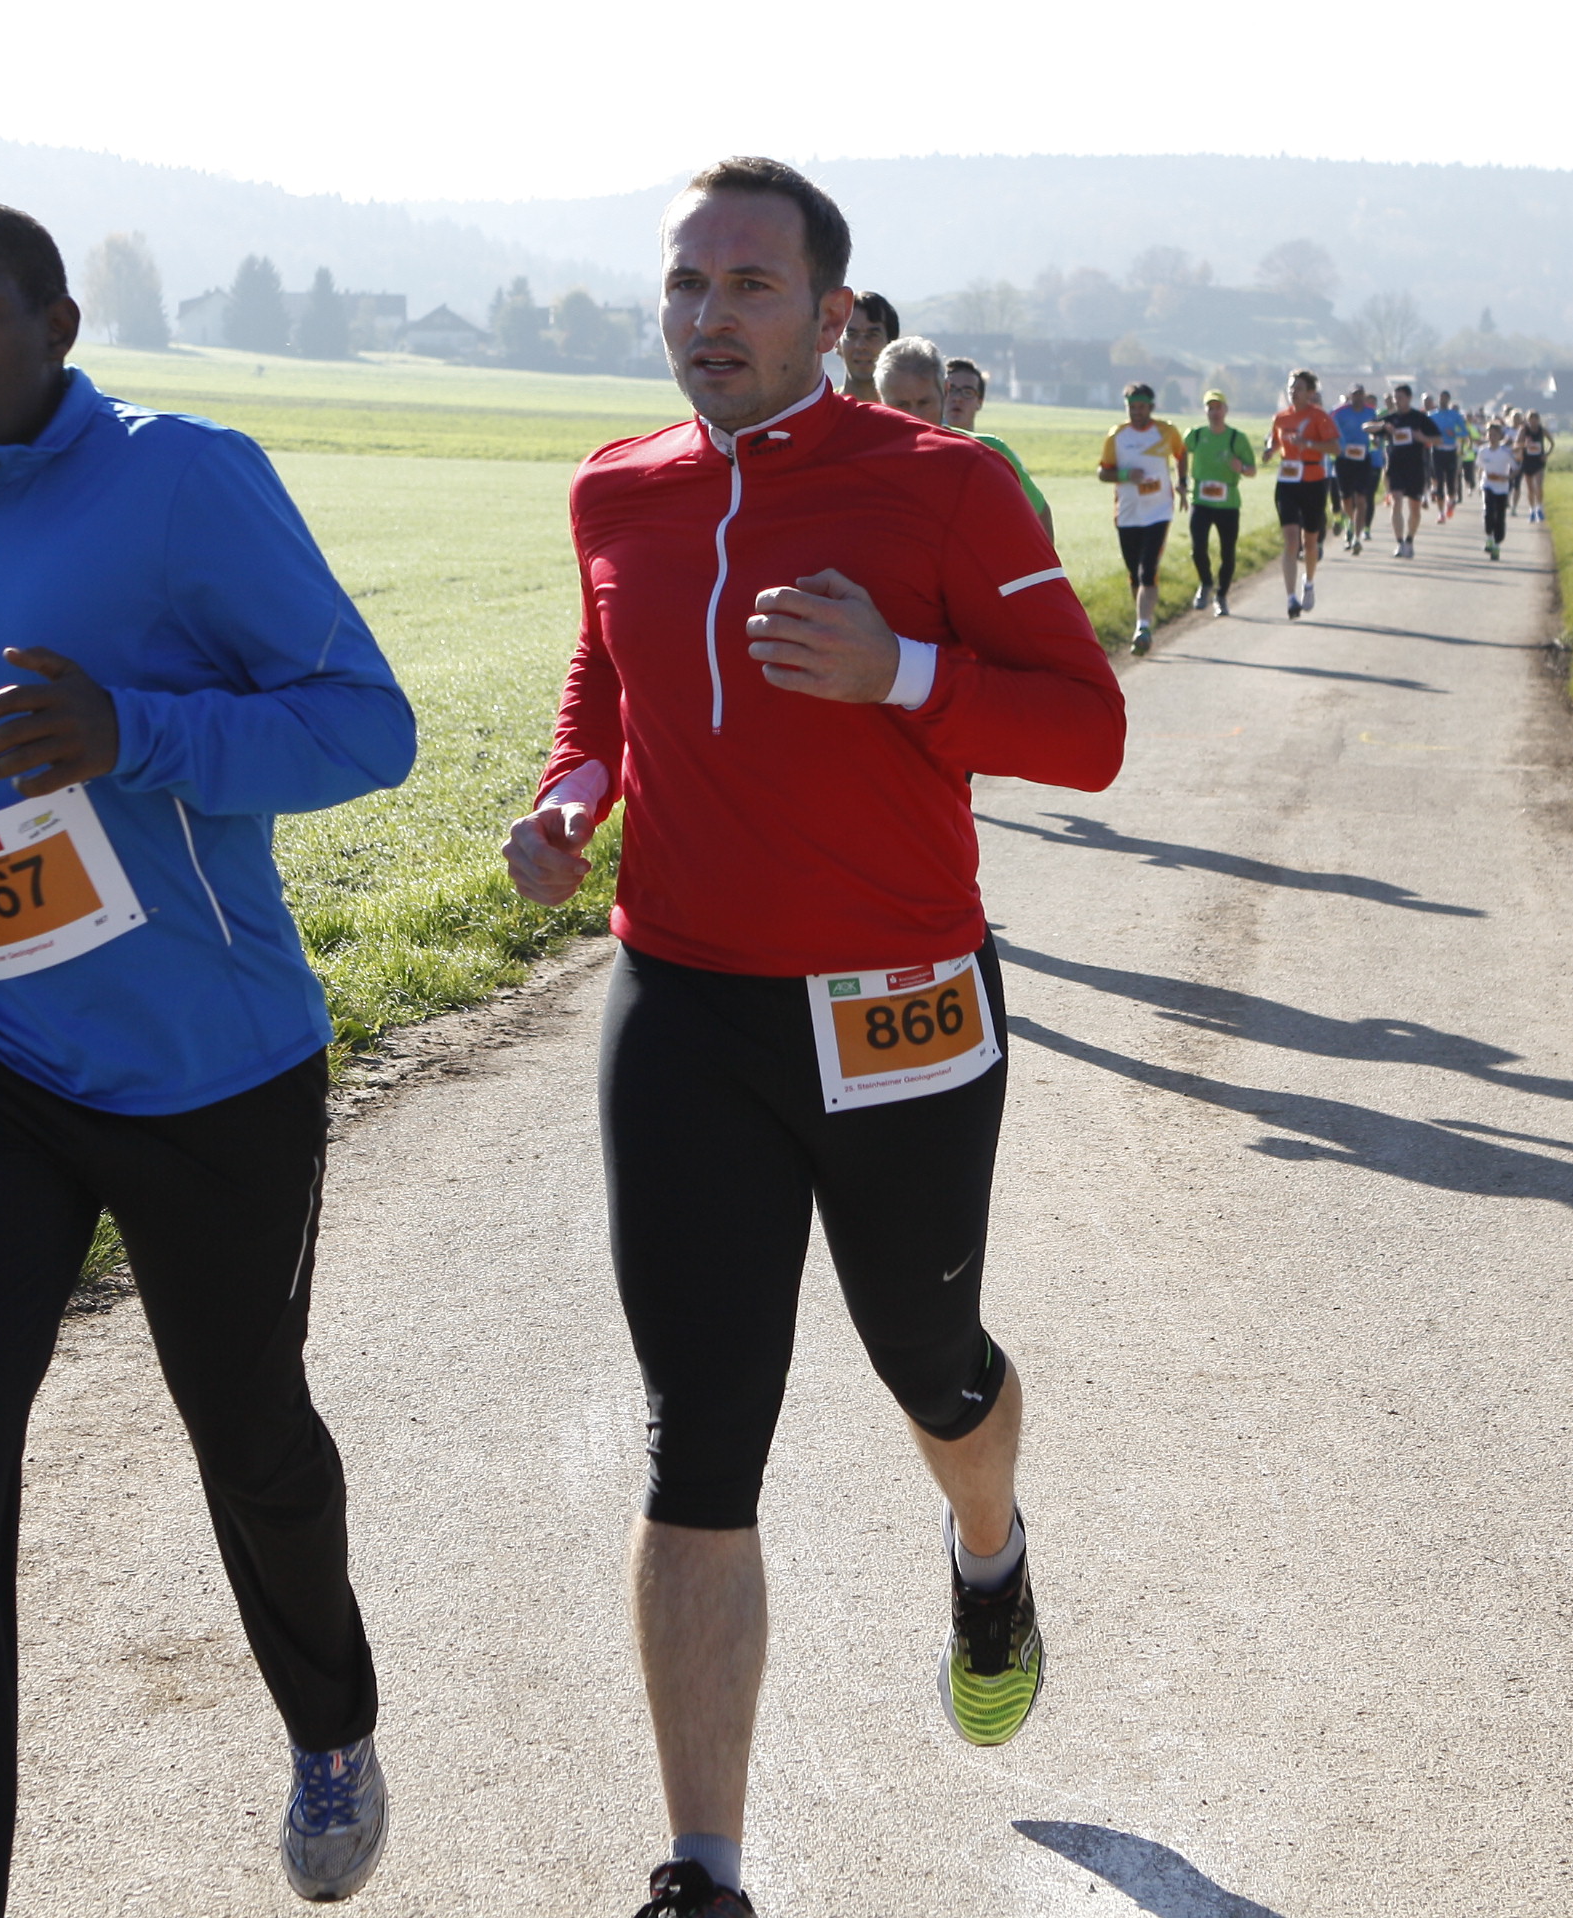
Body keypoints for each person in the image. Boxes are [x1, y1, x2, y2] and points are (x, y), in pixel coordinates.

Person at [501, 157, 1126, 1918]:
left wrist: (903, 674)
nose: (709, 316)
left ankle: (988, 1554)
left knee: (929, 1362)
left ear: (833, 314)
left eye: (750, 285)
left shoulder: (944, 486)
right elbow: (605, 688)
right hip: (685, 1004)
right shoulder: (616, 487)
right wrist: (571, 796)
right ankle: (703, 1870)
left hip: (898, 1005)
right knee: (699, 1432)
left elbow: (1088, 734)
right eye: (685, 283)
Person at [0, 200, 419, 1913]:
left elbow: (364, 727)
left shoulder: (184, 480)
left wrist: (130, 732)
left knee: (250, 1436)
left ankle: (329, 1717)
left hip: (205, 1065)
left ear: (57, 327)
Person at [1092, 380, 1184, 655]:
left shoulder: (1166, 431)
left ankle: (1142, 627)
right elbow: (1103, 472)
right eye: (1132, 407)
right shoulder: (1116, 436)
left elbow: (1181, 454)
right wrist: (1125, 475)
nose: (1136, 412)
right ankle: (1143, 620)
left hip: (1159, 511)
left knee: (1148, 570)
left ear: (1151, 407)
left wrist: (1182, 482)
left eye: (1141, 407)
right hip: (1128, 514)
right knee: (1135, 574)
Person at [939, 353, 1055, 540]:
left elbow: (1040, 511)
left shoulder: (994, 450)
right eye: (951, 390)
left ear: (980, 402)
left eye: (967, 392)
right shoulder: (919, 449)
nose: (957, 398)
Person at [1265, 371, 1340, 621]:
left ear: (1310, 392)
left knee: (1310, 542)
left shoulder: (1319, 417)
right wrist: (1270, 451)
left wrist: (1308, 444)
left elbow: (1335, 448)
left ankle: (1308, 583)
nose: (1293, 392)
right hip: (1287, 482)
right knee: (1290, 541)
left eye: (1298, 388)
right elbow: (1276, 441)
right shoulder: (1280, 418)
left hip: (1313, 481)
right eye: (1290, 387)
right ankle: (1290, 598)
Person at [1181, 388, 1256, 616]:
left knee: (1228, 553)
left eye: (1218, 408)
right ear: (1205, 411)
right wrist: (1181, 479)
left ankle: (1221, 596)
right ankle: (1206, 583)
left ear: (1226, 410)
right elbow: (1180, 453)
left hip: (1228, 505)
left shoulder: (1236, 438)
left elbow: (1252, 470)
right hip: (1201, 502)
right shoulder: (1195, 435)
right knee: (1198, 548)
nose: (1214, 412)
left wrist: (1241, 468)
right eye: (1210, 408)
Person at [1374, 380, 1439, 558]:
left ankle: (1410, 540)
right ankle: (1399, 542)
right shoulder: (1391, 418)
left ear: (1409, 398)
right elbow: (1366, 427)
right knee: (1396, 501)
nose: (1397, 401)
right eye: (1395, 398)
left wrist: (1422, 437)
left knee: (1415, 508)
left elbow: (1438, 439)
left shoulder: (1419, 418)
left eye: (1400, 397)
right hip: (1395, 466)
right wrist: (1383, 427)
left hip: (1415, 467)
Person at [1329, 382, 1379, 557]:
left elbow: (1375, 430)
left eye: (1360, 394)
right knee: (1346, 498)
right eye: (1355, 394)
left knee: (1362, 499)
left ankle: (1357, 538)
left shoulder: (1370, 412)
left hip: (1363, 459)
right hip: (1344, 459)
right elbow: (1331, 430)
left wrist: (1375, 438)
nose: (1358, 397)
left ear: (1364, 395)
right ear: (1350, 396)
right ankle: (1349, 524)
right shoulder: (1339, 412)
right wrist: (1340, 446)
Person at [836, 288, 900, 399]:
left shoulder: (911, 407)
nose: (861, 346)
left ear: (891, 345)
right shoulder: (820, 408)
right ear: (837, 343)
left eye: (872, 335)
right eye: (851, 335)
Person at [1479, 420, 1517, 559]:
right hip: (1487, 485)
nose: (1492, 437)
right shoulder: (1483, 451)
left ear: (1500, 436)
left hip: (1502, 489)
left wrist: (1507, 477)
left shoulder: (1506, 452)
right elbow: (1480, 468)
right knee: (1488, 513)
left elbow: (1516, 468)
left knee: (1500, 517)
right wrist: (1480, 483)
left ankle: (1496, 545)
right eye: (1490, 434)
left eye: (1495, 434)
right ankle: (1489, 537)